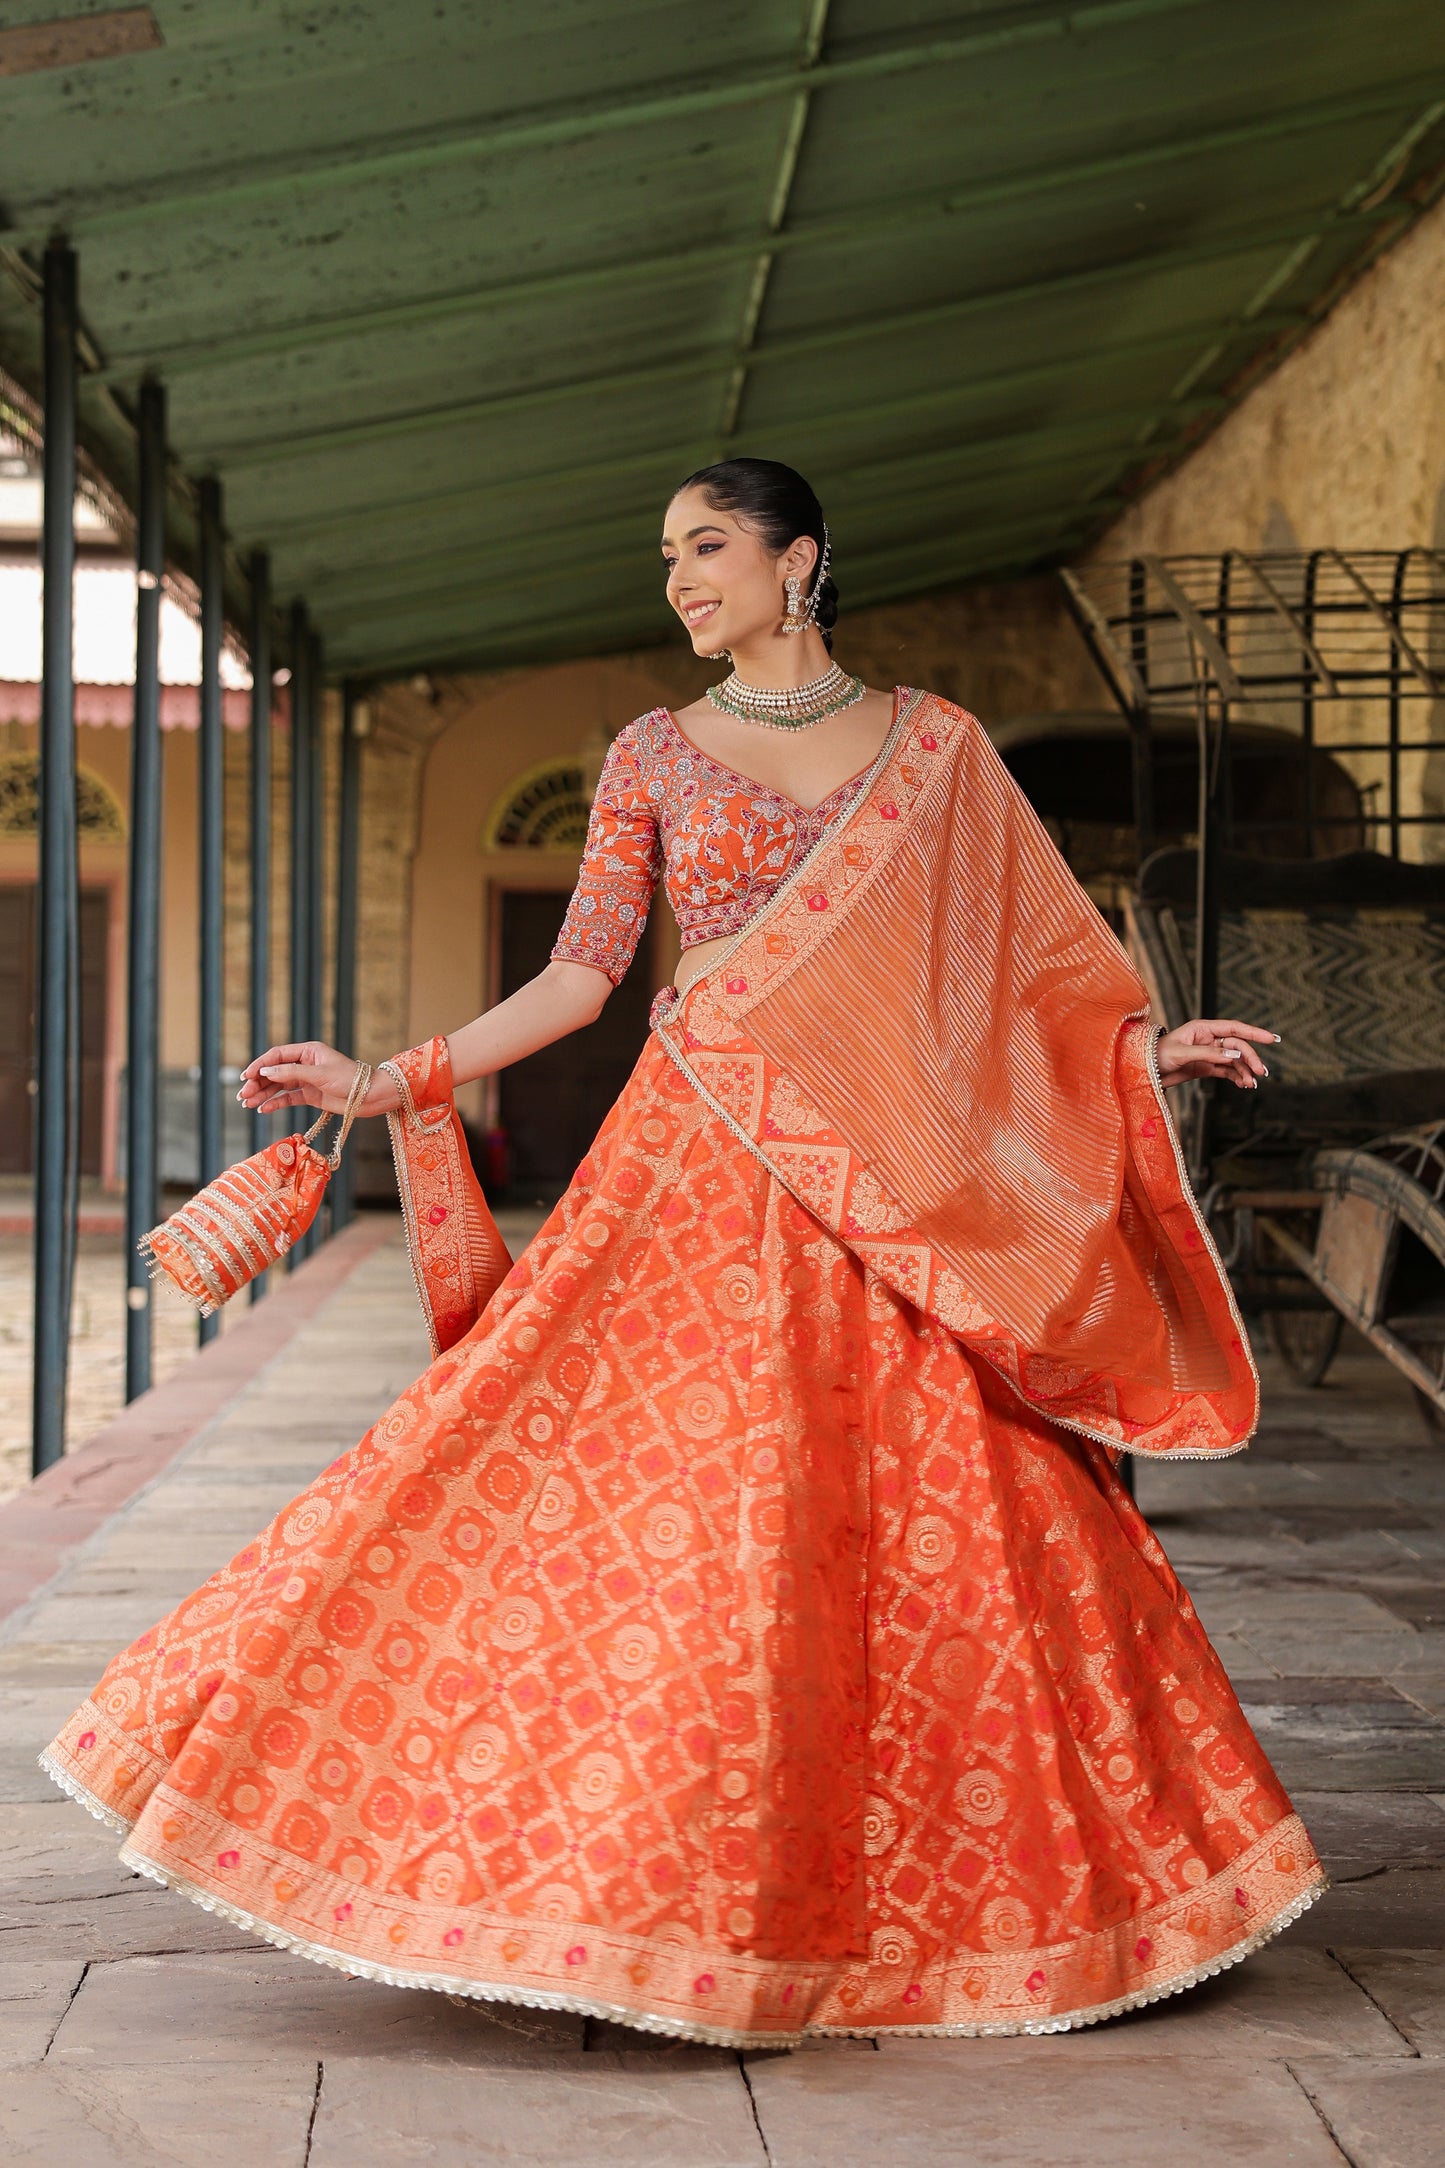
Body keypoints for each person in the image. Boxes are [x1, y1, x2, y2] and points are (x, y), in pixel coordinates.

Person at [44, 458, 1322, 2046]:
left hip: (895, 1186)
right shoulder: (652, 749)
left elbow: (1029, 972)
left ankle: (1003, 1911)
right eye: (664, 556)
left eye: (706, 547)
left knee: (959, 1518)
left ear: (803, 560)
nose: (677, 578)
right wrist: (388, 1078)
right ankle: (641, 1898)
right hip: (695, 1167)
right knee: (605, 1486)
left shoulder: (937, 749)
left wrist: (1139, 1057)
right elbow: (584, 978)